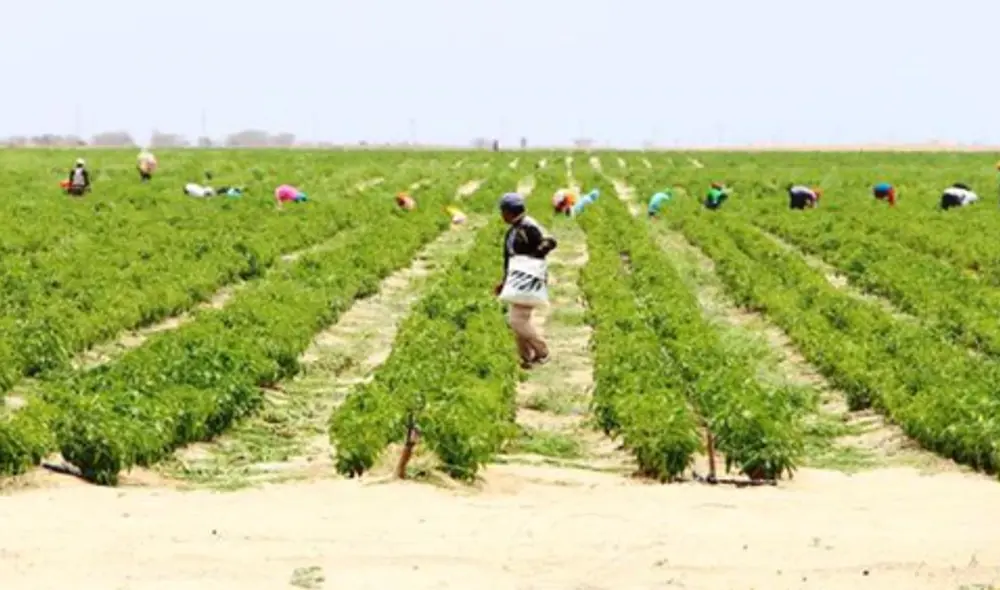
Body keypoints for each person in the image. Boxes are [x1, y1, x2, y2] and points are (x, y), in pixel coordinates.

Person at [494, 192, 557, 369]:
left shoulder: (529, 226)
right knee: (518, 318)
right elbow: (510, 260)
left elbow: (550, 241)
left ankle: (543, 351)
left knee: (517, 320)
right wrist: (504, 281)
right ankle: (526, 357)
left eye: (503, 211)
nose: (501, 215)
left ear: (509, 211)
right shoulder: (514, 229)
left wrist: (531, 259)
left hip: (529, 279)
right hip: (518, 279)